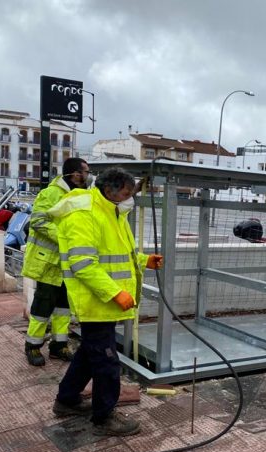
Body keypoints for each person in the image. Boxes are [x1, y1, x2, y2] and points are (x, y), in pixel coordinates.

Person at [48, 168, 162, 436]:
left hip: (106, 303)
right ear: (108, 189)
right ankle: (104, 417)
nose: (129, 198)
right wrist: (114, 293)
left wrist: (144, 260)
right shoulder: (84, 214)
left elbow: (121, 253)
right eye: (125, 193)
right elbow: (82, 264)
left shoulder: (112, 211)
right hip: (96, 302)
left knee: (90, 354)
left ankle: (66, 400)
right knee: (107, 361)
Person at [21, 158, 92, 366]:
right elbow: (38, 222)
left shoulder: (80, 196)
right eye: (85, 172)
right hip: (50, 262)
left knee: (63, 307)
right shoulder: (50, 194)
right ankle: (32, 346)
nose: (87, 176)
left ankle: (58, 345)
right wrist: (66, 237)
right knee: (43, 306)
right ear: (74, 174)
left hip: (67, 264)